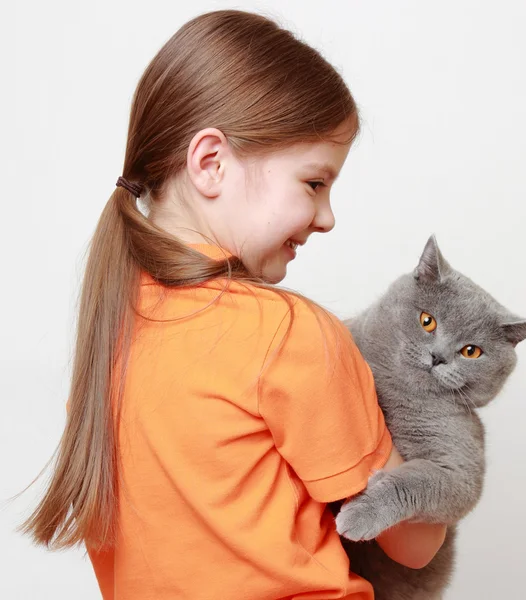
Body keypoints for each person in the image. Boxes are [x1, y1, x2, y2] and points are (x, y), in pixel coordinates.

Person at [21, 10, 446, 599]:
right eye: (315, 183)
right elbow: (414, 544)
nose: (327, 218)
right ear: (211, 163)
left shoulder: (109, 342)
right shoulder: (286, 334)